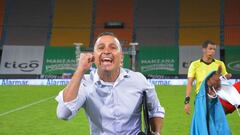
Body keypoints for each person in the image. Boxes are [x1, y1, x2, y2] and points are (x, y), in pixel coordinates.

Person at [55, 32, 165, 135]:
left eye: (113, 47)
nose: (106, 51)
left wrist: (156, 132)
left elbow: (155, 110)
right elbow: (63, 114)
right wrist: (80, 70)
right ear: (94, 56)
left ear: (121, 57)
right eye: (101, 47)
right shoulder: (85, 83)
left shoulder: (138, 80)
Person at [184, 40, 232, 115]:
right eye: (210, 49)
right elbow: (189, 83)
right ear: (204, 49)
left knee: (215, 124)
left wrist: (227, 76)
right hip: (201, 98)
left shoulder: (220, 64)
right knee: (202, 124)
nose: (212, 51)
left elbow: (224, 81)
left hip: (217, 98)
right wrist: (187, 101)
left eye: (214, 49)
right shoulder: (194, 64)